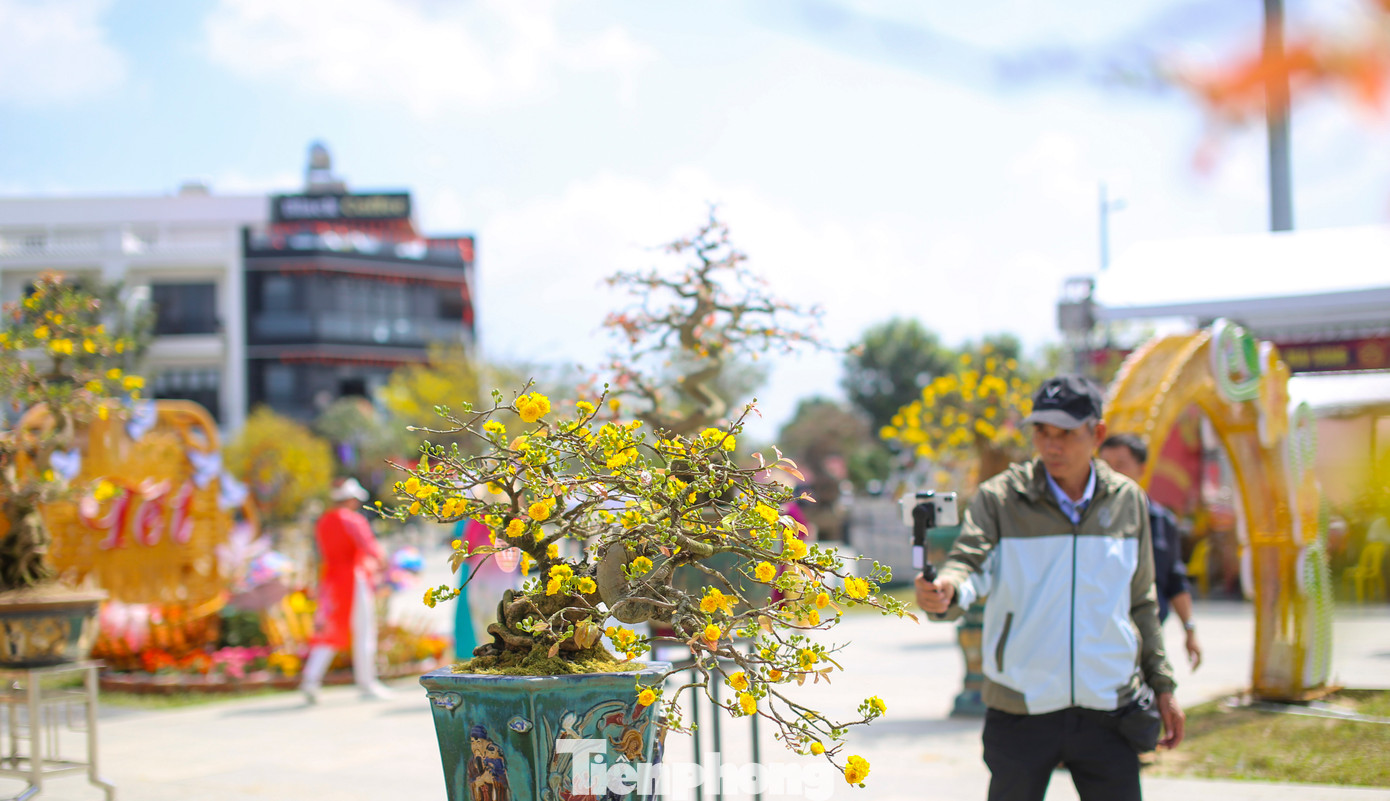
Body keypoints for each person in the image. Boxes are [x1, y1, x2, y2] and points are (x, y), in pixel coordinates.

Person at [916, 375, 1183, 801]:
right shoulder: (999, 498)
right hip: (1021, 707)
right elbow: (968, 563)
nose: (1051, 446)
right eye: (1042, 432)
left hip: (1110, 707)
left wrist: (1163, 687)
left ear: (1097, 434)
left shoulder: (1128, 501)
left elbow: (1141, 602)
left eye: (1066, 434)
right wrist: (947, 589)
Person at [1099, 433, 1203, 670]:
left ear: (1142, 469)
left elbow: (1176, 580)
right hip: (1101, 642)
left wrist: (1189, 630)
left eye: (1120, 465)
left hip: (1147, 639)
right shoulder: (1089, 521)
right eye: (1105, 466)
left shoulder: (1161, 521)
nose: (1111, 474)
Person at [299, 477, 393, 703]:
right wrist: (385, 565)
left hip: (331, 580)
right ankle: (367, 682)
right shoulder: (353, 520)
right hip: (353, 579)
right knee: (364, 631)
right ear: (350, 499)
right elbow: (372, 549)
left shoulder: (323, 521)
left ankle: (311, 679)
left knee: (330, 629)